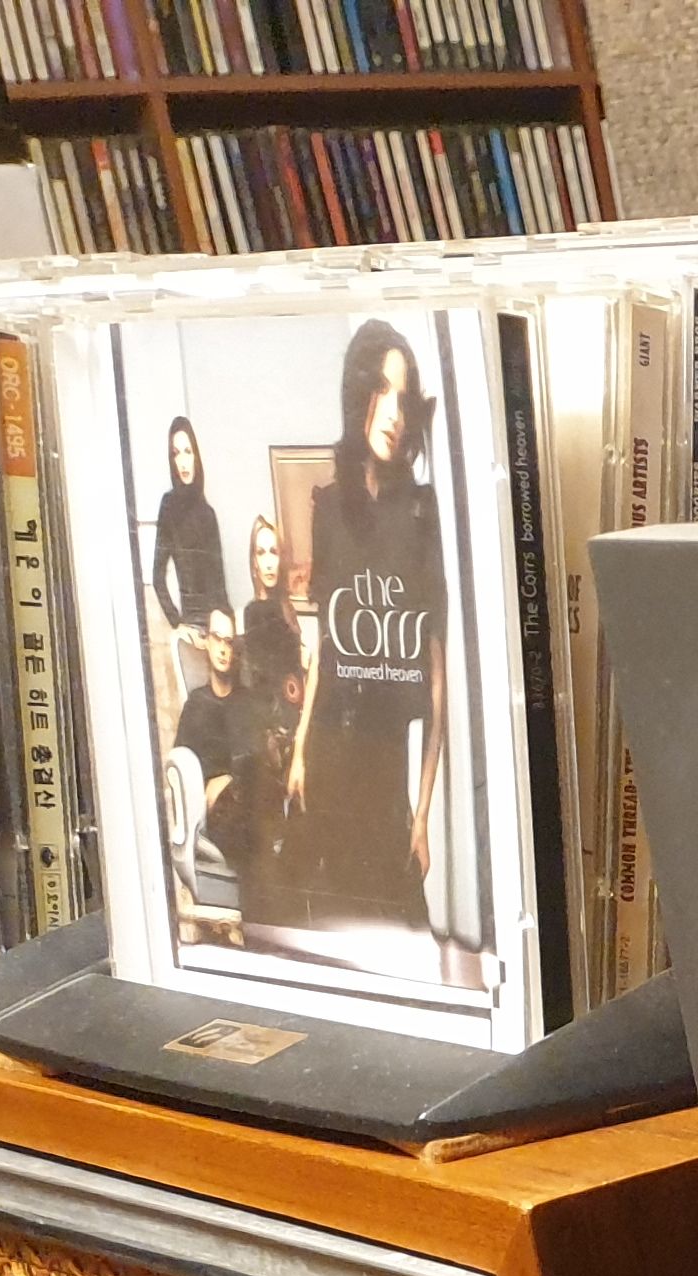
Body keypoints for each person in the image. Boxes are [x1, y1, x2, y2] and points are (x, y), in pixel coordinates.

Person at [282, 323, 447, 932]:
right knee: (329, 921)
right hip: (327, 755)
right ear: (358, 395)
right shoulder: (329, 507)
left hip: (384, 773)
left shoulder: (421, 513)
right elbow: (324, 650)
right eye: (381, 390)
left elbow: (437, 683)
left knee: (398, 925)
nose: (394, 413)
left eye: (404, 397)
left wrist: (422, 816)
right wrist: (300, 751)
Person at [171, 610, 268, 884]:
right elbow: (181, 759)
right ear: (207, 642)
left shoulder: (248, 702)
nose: (224, 649)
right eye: (217, 639)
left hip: (252, 796)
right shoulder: (197, 705)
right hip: (221, 812)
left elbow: (258, 759)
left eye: (229, 642)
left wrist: (229, 778)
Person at [148, 418, 227, 630]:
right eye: (176, 453)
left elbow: (220, 585)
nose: (183, 462)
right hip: (191, 624)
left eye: (187, 451)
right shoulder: (169, 506)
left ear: (195, 456)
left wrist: (227, 625)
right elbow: (157, 576)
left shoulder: (208, 514)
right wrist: (177, 622)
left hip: (216, 626)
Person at [238, 515, 301, 732]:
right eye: (261, 552)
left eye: (274, 552)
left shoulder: (286, 607)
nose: (268, 562)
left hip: (295, 716)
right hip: (275, 727)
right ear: (254, 562)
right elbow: (261, 687)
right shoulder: (254, 612)